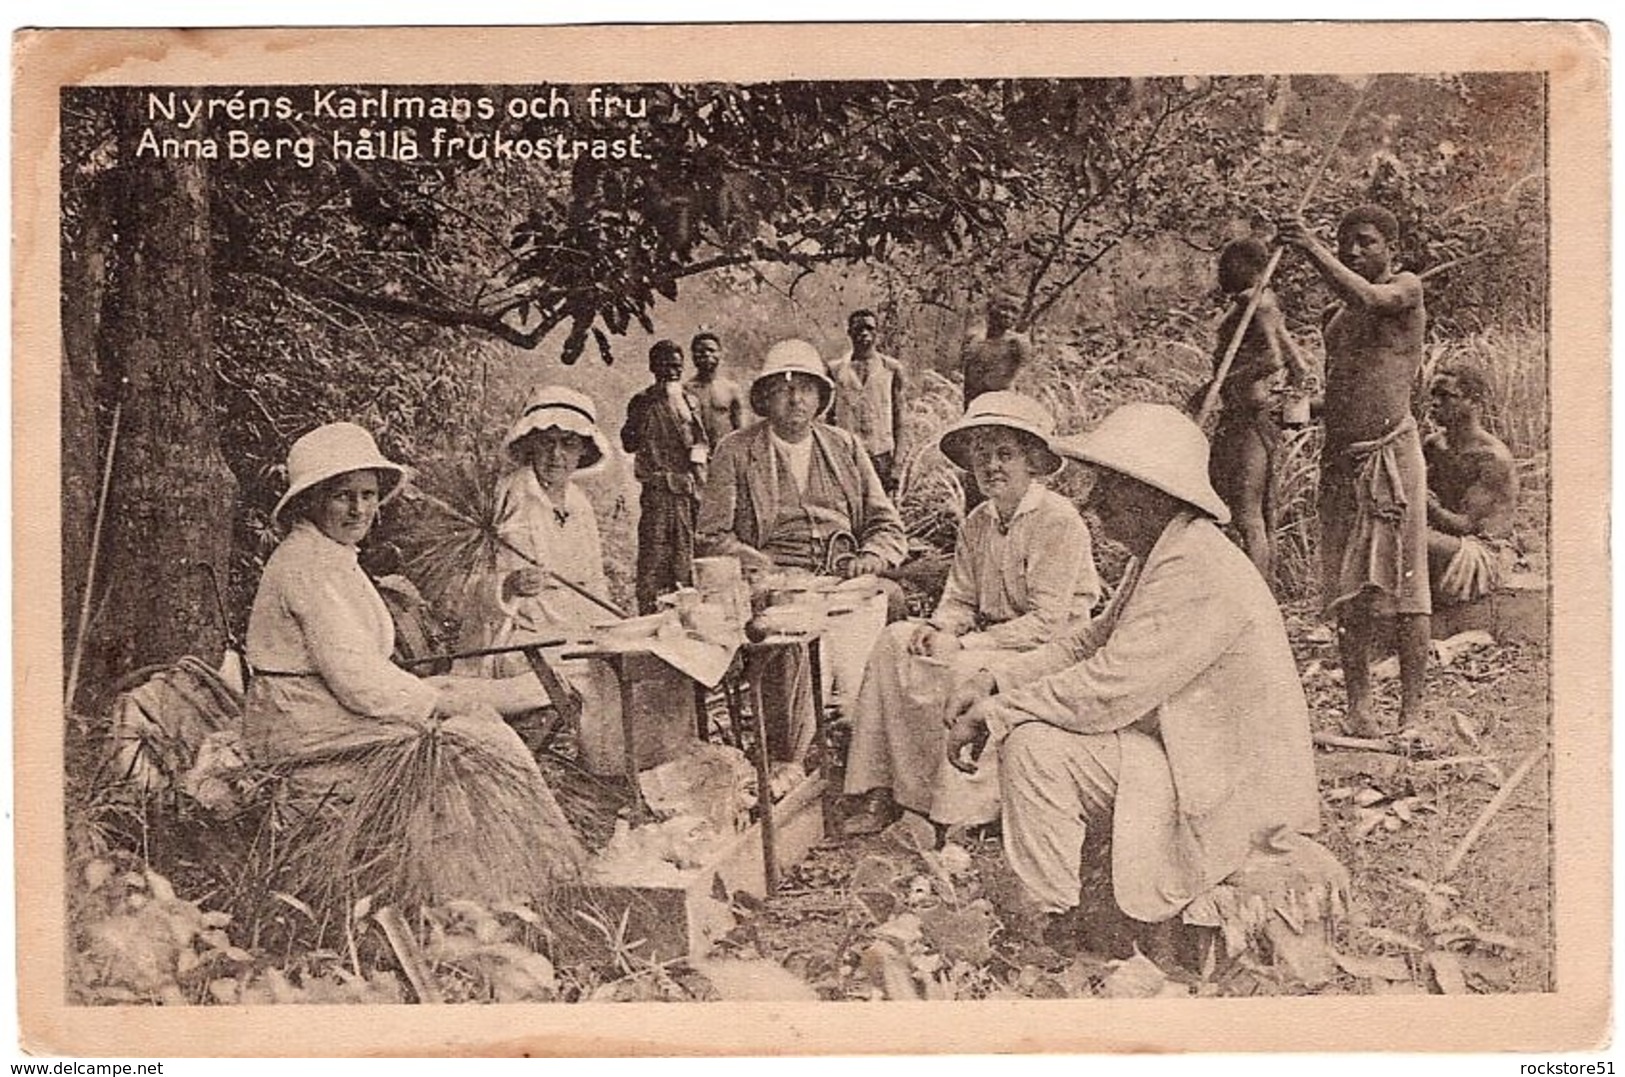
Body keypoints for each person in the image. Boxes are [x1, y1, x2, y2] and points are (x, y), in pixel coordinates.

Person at [943, 403, 1319, 953]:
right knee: (1032, 737)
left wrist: (997, 714)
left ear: (1151, 494)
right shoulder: (1166, 552)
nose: (1094, 504)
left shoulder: (1197, 567)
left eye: (1109, 487)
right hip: (1185, 756)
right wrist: (994, 680)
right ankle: (1062, 912)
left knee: (1032, 748)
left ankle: (1053, 924)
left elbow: (1109, 689)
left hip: (1227, 785)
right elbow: (1092, 640)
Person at [242, 422, 584, 899]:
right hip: (305, 721)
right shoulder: (308, 565)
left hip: (324, 703)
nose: (359, 509)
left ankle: (533, 878)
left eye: (367, 495)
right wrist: (432, 702)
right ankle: (496, 888)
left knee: (474, 713)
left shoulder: (330, 553)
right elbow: (356, 681)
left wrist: (438, 694)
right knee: (476, 740)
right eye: (343, 496)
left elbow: (357, 664)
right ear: (312, 499)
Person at [841, 391, 1100, 837]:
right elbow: (960, 597)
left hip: (1050, 648)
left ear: (1032, 462)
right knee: (892, 643)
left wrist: (962, 641)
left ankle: (960, 812)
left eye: (1005, 454)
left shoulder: (1057, 520)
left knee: (960, 668)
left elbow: (1047, 621)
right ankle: (885, 789)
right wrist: (940, 625)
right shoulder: (978, 521)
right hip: (992, 638)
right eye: (982, 454)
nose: (992, 466)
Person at [697, 339, 909, 760]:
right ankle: (794, 759)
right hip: (777, 589)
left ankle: (863, 755)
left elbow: (886, 523)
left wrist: (872, 555)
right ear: (765, 398)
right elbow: (710, 536)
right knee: (796, 665)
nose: (796, 399)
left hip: (844, 583)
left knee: (866, 667)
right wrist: (759, 565)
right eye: (783, 389)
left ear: (820, 397)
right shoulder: (736, 452)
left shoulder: (845, 446)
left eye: (806, 389)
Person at [1281, 204, 1430, 737]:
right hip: (1341, 461)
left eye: (1365, 242)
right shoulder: (1334, 317)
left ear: (1391, 247)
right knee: (1349, 589)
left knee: (1406, 587)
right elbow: (1344, 391)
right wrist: (1300, 412)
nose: (1352, 252)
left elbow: (1370, 296)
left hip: (1390, 454)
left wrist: (1309, 246)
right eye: (1346, 243)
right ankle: (1359, 708)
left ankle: (1412, 714)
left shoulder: (1404, 289)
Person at [1198, 237, 1315, 586]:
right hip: (1250, 418)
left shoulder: (1252, 302)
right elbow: (1299, 367)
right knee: (1254, 513)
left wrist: (1216, 385)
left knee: (1247, 514)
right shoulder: (1266, 304)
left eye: (1227, 264)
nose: (1222, 272)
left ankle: (1255, 597)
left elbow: (1272, 359)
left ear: (1246, 266)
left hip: (1248, 420)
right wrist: (1292, 410)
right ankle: (1252, 590)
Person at [622, 339, 711, 614]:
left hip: (685, 493)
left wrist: (699, 470)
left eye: (676, 367)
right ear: (652, 367)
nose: (671, 372)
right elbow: (628, 442)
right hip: (658, 492)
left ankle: (685, 618)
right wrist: (645, 411)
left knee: (684, 558)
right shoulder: (642, 401)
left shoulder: (689, 400)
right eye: (665, 366)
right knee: (653, 557)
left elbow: (701, 441)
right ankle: (649, 614)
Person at [1424, 365, 1520, 603]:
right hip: (1446, 540)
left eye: (1446, 396)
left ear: (1475, 402)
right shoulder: (1434, 445)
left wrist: (1424, 502)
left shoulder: (1492, 457)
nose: (1435, 403)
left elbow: (1468, 525)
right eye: (1433, 395)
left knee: (1411, 541)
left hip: (1484, 551)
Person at [960, 290, 1033, 509]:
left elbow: (1021, 382)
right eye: (1003, 308)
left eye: (1014, 311)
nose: (1008, 315)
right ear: (990, 309)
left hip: (1004, 417)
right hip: (977, 417)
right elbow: (968, 383)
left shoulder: (1016, 345)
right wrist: (966, 419)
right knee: (975, 476)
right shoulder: (974, 343)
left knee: (1003, 474)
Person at [827, 309, 908, 494]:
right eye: (858, 329)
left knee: (883, 512)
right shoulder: (835, 370)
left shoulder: (891, 369)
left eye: (869, 328)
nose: (863, 333)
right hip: (847, 455)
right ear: (849, 332)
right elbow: (829, 420)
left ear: (877, 333)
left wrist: (897, 465)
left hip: (882, 457)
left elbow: (900, 420)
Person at [685, 331, 745, 448]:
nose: (707, 354)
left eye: (711, 350)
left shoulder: (731, 389)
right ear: (693, 356)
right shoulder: (686, 390)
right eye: (701, 351)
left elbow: (740, 429)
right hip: (697, 454)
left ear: (720, 354)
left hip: (725, 450)